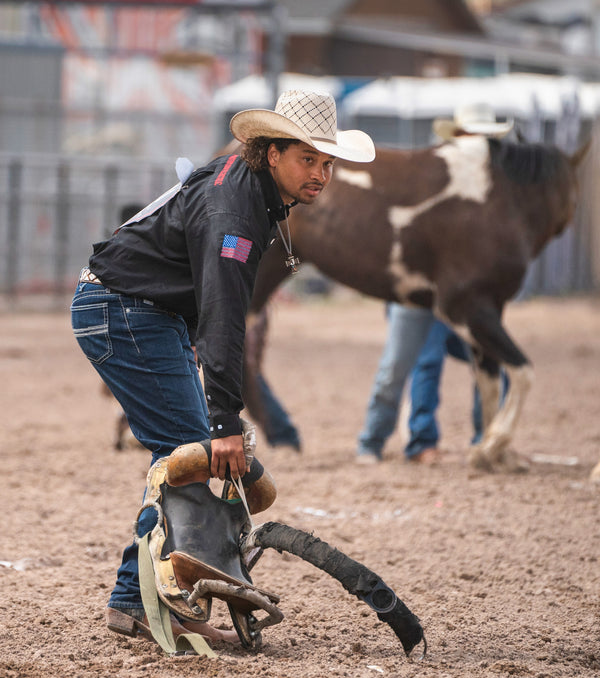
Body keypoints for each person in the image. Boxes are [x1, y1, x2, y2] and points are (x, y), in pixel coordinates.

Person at [71, 89, 375, 643]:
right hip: (125, 311)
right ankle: (142, 605)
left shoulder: (249, 184)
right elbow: (224, 316)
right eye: (309, 159)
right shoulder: (235, 209)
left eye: (328, 162)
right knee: (193, 450)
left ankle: (132, 599)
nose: (322, 174)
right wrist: (225, 421)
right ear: (273, 153)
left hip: (139, 312)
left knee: (186, 453)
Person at [356, 104, 512, 466]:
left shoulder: (491, 190)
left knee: (491, 362)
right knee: (406, 366)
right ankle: (384, 441)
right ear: (458, 139)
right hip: (420, 293)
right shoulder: (431, 181)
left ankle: (486, 438)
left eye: (485, 139)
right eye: (475, 137)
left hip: (464, 296)